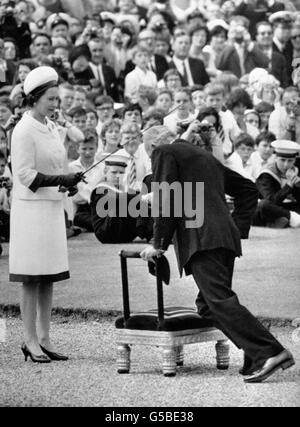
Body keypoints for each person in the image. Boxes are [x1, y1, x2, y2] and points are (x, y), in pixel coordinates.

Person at [140, 129, 295, 384]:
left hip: (202, 239)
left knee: (219, 300)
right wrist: (237, 227)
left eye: (149, 153)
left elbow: (167, 197)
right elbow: (247, 189)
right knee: (207, 305)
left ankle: (271, 351)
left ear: (155, 144)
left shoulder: (164, 151)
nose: (151, 159)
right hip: (222, 237)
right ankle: (254, 351)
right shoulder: (204, 156)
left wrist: (159, 244)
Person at [9, 66, 84, 363]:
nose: (55, 105)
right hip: (30, 212)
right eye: (51, 99)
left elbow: (69, 148)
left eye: (58, 100)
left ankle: (44, 338)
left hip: (52, 208)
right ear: (35, 98)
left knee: (48, 277)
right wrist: (61, 180)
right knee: (31, 278)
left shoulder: (52, 127)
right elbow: (25, 175)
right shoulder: (24, 129)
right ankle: (29, 340)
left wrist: (69, 179)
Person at [254, 139, 300, 229]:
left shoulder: (296, 170)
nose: (286, 165)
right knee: (263, 205)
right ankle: (291, 217)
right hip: (266, 208)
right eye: (282, 160)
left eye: (290, 161)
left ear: (295, 160)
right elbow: (272, 201)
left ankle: (279, 220)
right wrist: (289, 186)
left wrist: (298, 186)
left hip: (283, 207)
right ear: (275, 158)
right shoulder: (266, 174)